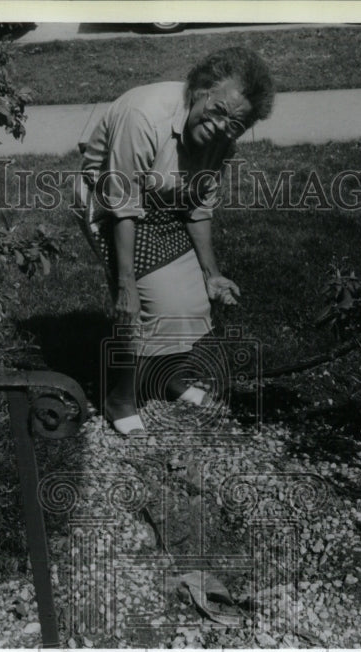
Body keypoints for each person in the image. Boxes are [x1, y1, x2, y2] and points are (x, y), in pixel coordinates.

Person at [73, 46, 275, 435]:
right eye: (217, 111)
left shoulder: (222, 138)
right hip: (110, 198)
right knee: (149, 303)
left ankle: (167, 377)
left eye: (235, 124)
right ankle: (120, 398)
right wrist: (125, 283)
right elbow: (124, 203)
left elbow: (198, 205)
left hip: (164, 196)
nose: (220, 127)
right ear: (199, 91)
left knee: (196, 296)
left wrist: (211, 273)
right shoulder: (144, 116)